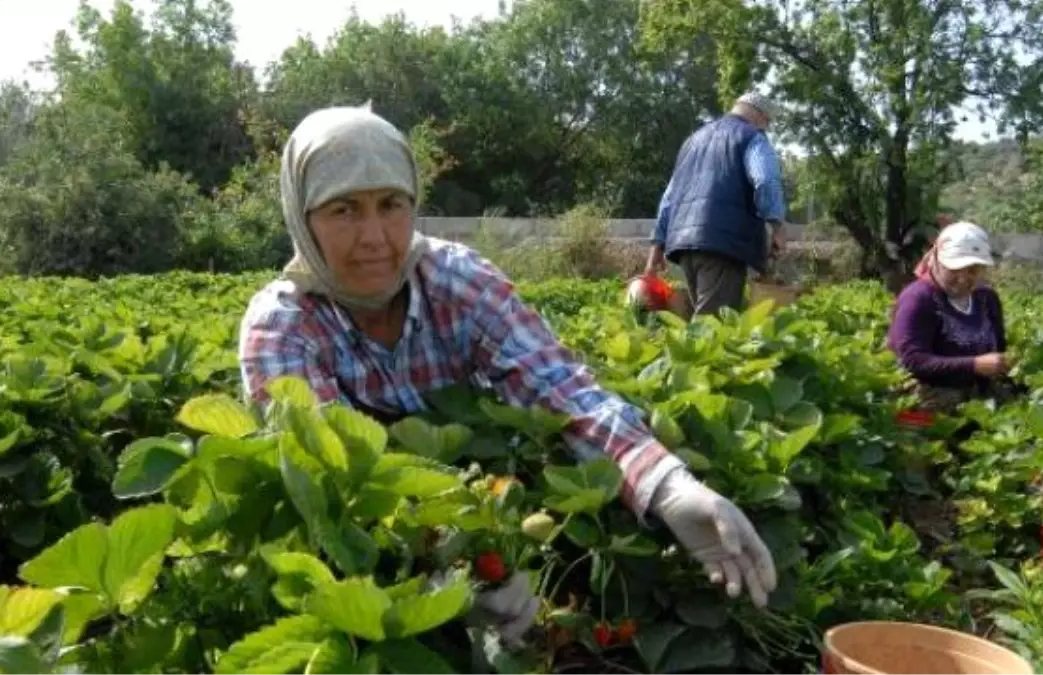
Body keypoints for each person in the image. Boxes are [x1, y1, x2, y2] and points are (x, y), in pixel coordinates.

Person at [237, 105, 778, 648]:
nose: (375, 235)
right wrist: (449, 571)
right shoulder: (282, 329)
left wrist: (668, 485)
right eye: (343, 210)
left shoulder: (457, 281)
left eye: (391, 204)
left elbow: (562, 389)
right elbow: (334, 491)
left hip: (491, 511)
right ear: (301, 218)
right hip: (368, 580)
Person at [644, 91, 789, 317]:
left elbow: (668, 199)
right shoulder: (752, 137)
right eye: (768, 120)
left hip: (683, 245)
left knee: (704, 319)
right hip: (722, 244)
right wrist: (777, 226)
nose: (767, 126)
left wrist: (657, 246)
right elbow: (765, 180)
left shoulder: (692, 142)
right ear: (760, 115)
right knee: (711, 330)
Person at [887, 221, 1017, 413]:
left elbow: (999, 347)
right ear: (937, 260)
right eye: (954, 269)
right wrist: (974, 365)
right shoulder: (918, 298)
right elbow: (913, 360)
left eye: (972, 270)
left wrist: (1006, 364)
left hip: (977, 394)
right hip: (927, 396)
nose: (963, 278)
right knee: (918, 427)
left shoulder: (986, 298)